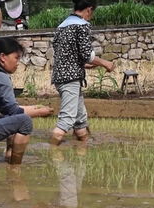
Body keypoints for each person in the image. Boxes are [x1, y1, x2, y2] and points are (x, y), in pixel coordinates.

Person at [50, 0, 115, 145]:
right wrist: (106, 63)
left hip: (61, 77)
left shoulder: (62, 26)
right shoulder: (81, 25)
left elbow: (65, 55)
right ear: (89, 10)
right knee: (66, 121)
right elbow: (88, 55)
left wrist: (83, 65)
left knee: (80, 120)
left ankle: (83, 152)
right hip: (70, 79)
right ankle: (51, 153)